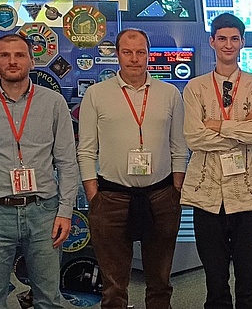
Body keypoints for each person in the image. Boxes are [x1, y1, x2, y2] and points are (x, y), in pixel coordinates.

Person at [0, 34, 79, 309]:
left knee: (49, 298)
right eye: (5, 55)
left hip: (44, 212)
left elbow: (67, 162)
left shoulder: (53, 103)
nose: (12, 61)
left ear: (32, 61)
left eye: (20, 55)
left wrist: (65, 211)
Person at [77, 29, 188, 309]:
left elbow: (179, 146)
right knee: (114, 286)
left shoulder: (169, 94)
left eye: (141, 52)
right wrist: (93, 195)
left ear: (148, 55)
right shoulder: (96, 94)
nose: (134, 59)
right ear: (117, 55)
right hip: (111, 198)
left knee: (160, 281)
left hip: (161, 196)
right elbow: (86, 149)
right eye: (127, 52)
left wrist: (176, 190)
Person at [180, 13, 252, 309]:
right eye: (222, 38)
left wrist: (218, 125)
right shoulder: (195, 88)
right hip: (207, 195)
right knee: (215, 281)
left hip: (247, 195)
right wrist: (244, 126)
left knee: (249, 282)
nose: (228, 44)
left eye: (234, 39)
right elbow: (194, 138)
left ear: (242, 42)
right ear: (212, 41)